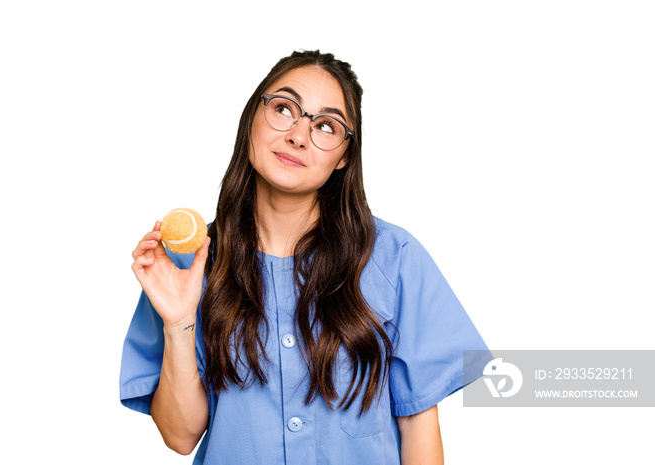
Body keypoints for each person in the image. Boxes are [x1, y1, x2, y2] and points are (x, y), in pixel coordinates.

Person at [120, 50, 492, 464]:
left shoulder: (395, 256)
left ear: (344, 157)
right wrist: (177, 323)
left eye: (326, 126)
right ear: (252, 120)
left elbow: (418, 428)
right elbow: (180, 436)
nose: (298, 135)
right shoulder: (190, 263)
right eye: (284, 108)